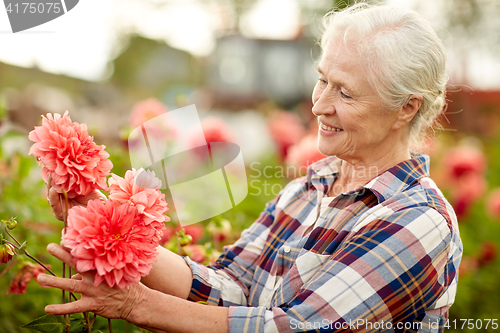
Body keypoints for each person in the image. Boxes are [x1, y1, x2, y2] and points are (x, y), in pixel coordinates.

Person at [38, 3, 462, 332]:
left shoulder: (418, 221)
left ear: (405, 108)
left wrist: (136, 304)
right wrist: (103, 223)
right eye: (322, 79)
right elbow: (229, 287)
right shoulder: (306, 191)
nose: (318, 104)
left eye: (345, 94)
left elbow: (298, 326)